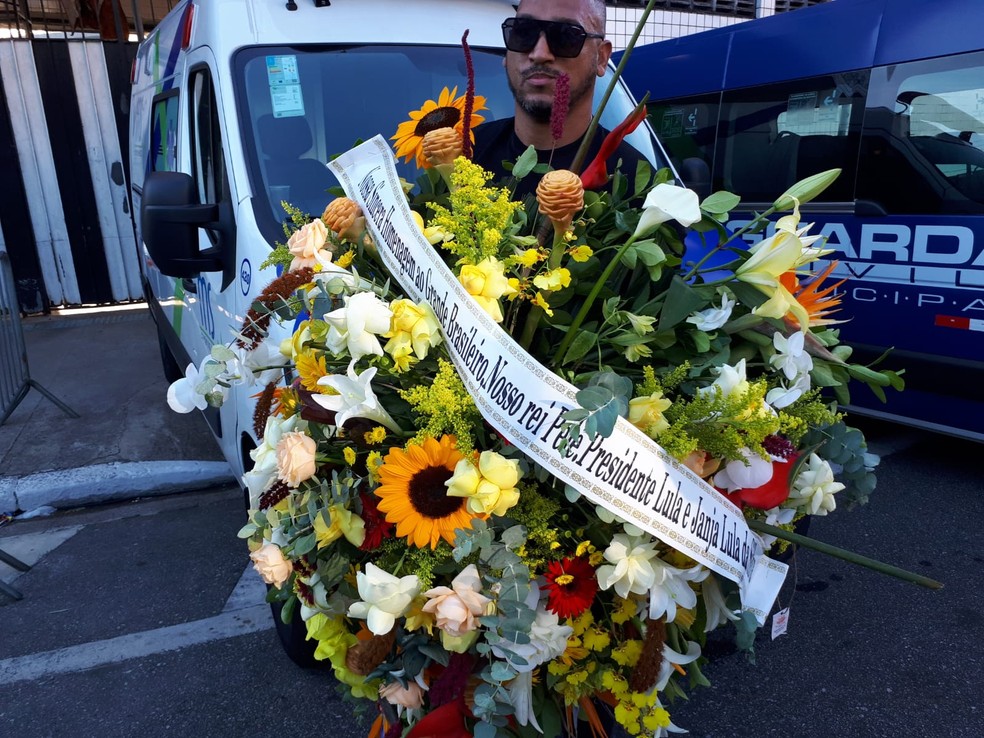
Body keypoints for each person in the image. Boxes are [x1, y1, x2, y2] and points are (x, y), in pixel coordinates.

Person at [472, 0, 647, 199]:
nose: (539, 54)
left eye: (565, 35)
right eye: (524, 32)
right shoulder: (460, 156)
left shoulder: (637, 188)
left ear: (601, 57)